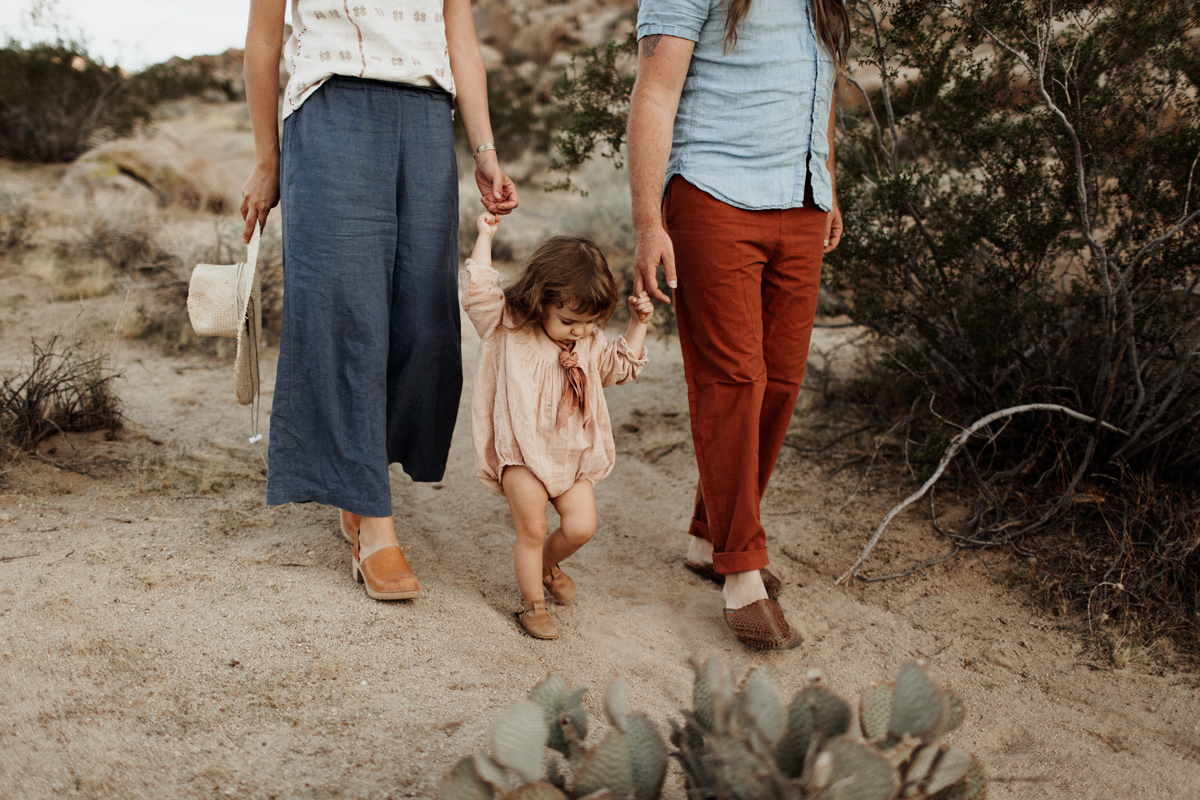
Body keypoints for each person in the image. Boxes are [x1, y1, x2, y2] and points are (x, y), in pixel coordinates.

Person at [239, 0, 518, 600]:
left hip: (423, 118)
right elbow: (263, 43)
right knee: (348, 319)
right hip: (331, 109)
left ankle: (357, 476)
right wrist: (268, 157)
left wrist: (485, 152)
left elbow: (460, 40)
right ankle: (374, 520)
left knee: (426, 323)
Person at [627, 0, 848, 648]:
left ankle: (707, 536)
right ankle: (743, 571)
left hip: (802, 200)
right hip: (713, 192)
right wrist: (648, 224)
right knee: (733, 380)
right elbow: (655, 94)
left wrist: (827, 181)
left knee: (778, 383)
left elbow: (823, 83)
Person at [461, 212, 653, 639]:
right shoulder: (508, 325)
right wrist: (485, 235)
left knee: (582, 525)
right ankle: (532, 605)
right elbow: (477, 293)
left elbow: (619, 369)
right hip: (522, 454)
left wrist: (638, 325)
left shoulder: (588, 340)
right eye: (568, 320)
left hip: (571, 455)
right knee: (531, 528)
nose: (580, 331)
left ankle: (548, 565)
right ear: (540, 299)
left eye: (590, 322)